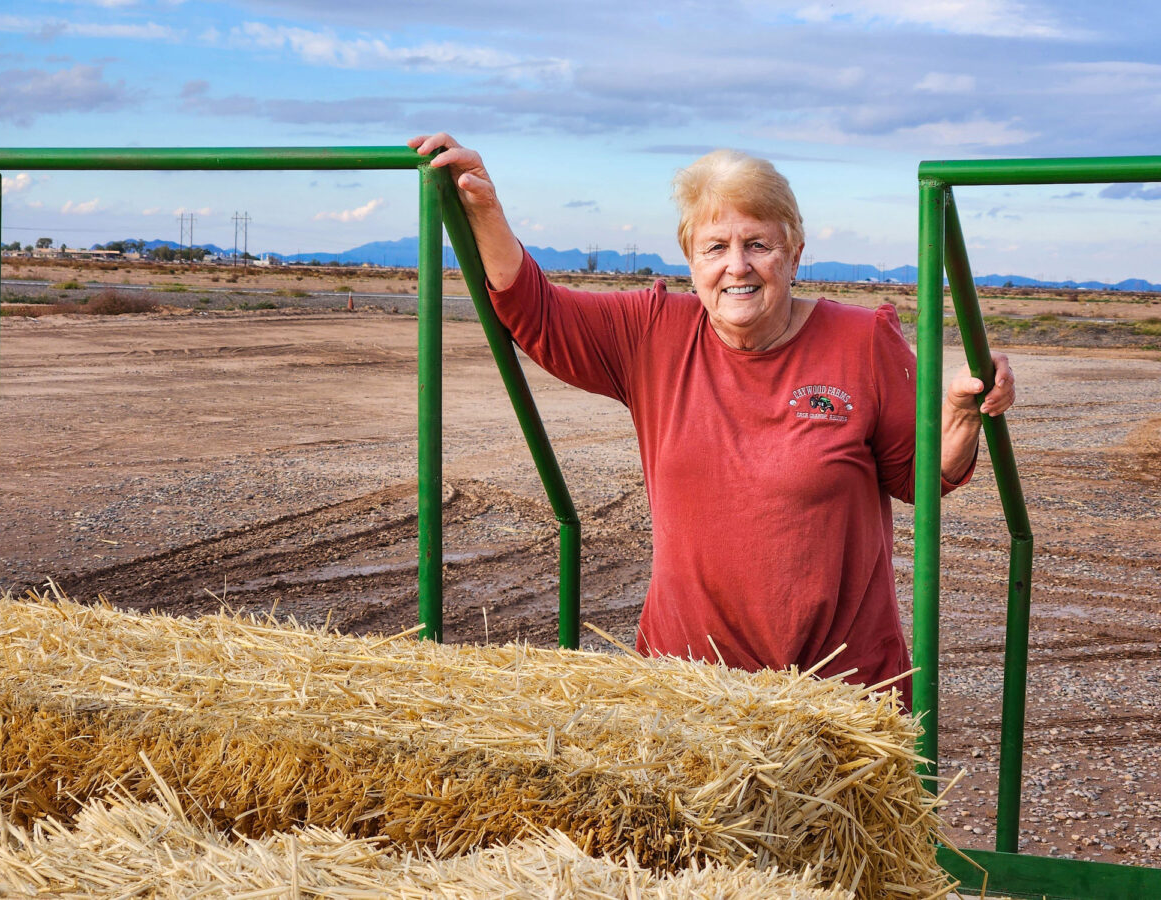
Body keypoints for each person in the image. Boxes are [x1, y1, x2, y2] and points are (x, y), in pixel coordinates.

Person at [410, 133, 1015, 705]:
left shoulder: (862, 341)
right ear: (690, 258)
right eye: (716, 247)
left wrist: (962, 418)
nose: (738, 266)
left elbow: (920, 478)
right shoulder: (652, 332)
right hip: (687, 687)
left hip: (839, 691)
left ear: (794, 253)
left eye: (758, 244)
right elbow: (536, 312)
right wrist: (483, 207)